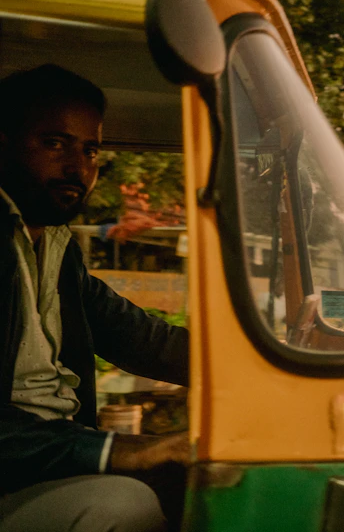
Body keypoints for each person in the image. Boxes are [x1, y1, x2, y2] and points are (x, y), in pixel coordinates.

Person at [0, 65, 189, 532]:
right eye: (54, 143)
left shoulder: (57, 248)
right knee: (120, 507)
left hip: (51, 461)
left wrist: (262, 362)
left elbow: (141, 338)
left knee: (204, 479)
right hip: (13, 473)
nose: (77, 168)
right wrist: (120, 449)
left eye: (90, 150)